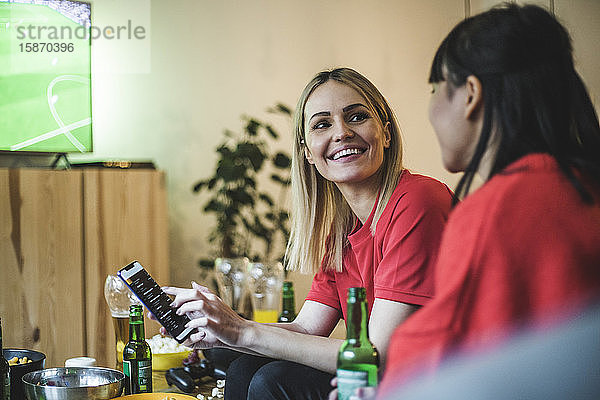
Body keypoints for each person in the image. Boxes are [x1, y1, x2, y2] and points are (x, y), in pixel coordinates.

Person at [164, 67, 454, 400]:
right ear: (307, 152)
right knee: (239, 364)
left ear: (386, 134)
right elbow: (304, 329)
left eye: (356, 117)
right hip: (389, 380)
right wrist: (221, 331)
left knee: (272, 380)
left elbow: (379, 357)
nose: (342, 132)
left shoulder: (417, 201)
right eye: (322, 124)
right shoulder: (342, 230)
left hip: (437, 383)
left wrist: (242, 330)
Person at [376, 4, 600, 398]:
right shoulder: (583, 186)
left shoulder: (495, 210)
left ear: (471, 95)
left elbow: (434, 357)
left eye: (434, 90)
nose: (431, 109)